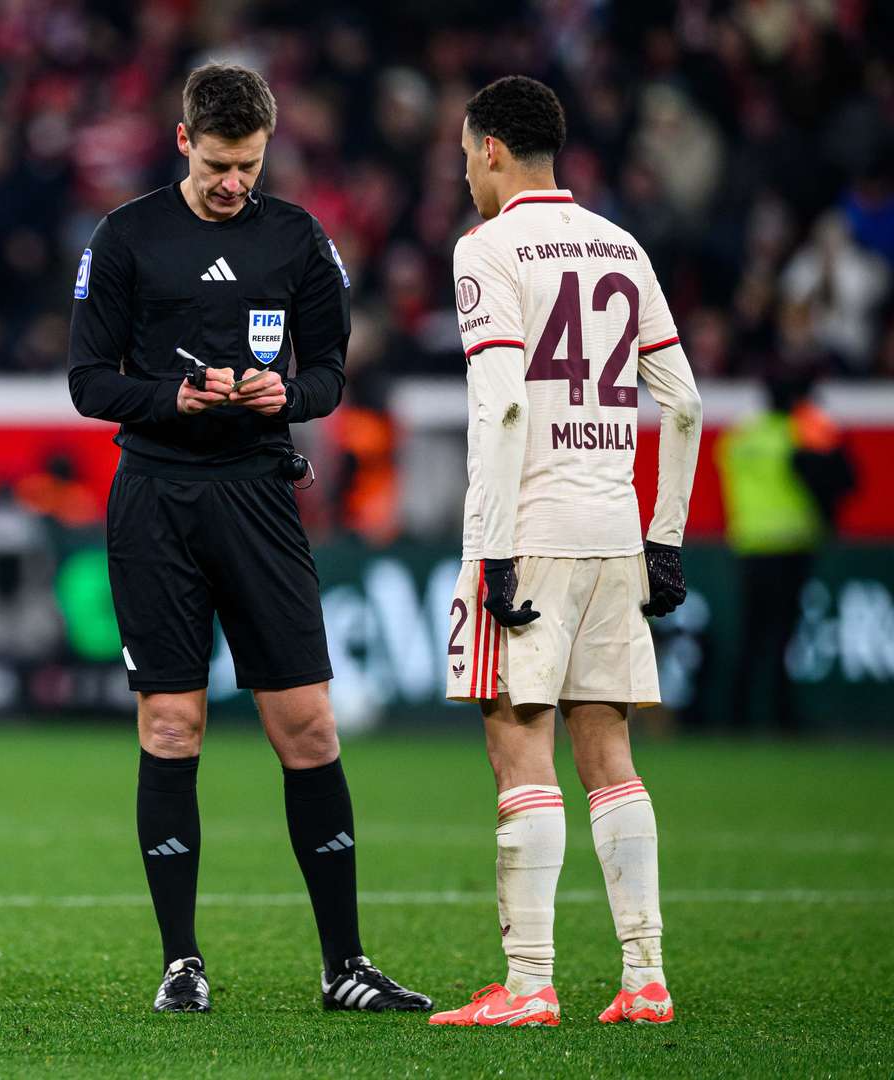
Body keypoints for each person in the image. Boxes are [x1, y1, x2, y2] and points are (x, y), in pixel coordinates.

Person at [67, 62, 427, 1015]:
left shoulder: (297, 237)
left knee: (307, 726)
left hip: (259, 497)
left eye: (251, 166)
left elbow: (330, 374)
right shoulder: (126, 236)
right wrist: (171, 396)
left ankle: (344, 966)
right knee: (172, 723)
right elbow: (87, 381)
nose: (236, 184)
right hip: (155, 498)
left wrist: (288, 394)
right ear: (182, 141)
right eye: (221, 164)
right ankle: (181, 963)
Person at [430, 76, 703, 1029]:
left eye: (467, 153)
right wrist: (663, 539)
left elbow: (504, 402)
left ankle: (532, 982)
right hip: (612, 527)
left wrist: (495, 550)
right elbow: (684, 402)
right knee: (611, 753)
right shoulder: (620, 243)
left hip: (530, 528)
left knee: (518, 744)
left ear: (494, 150)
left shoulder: (488, 248)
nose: (465, 171)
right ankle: (645, 978)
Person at [718, 368, 855, 734]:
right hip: (791, 544)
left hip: (748, 545)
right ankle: (783, 717)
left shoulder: (740, 436)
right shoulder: (802, 431)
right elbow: (844, 478)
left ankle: (737, 719)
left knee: (750, 635)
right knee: (783, 635)